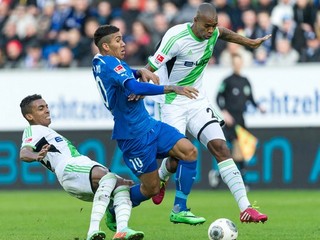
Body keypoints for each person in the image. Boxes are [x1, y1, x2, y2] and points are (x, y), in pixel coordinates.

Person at [145, 2, 269, 223]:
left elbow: (225, 33)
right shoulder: (175, 37)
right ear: (195, 21)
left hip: (198, 100)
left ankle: (244, 208)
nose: (211, 31)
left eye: (214, 26)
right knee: (176, 158)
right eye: (207, 26)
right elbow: (149, 68)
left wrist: (249, 43)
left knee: (221, 147)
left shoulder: (212, 32)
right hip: (173, 102)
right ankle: (162, 176)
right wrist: (139, 86)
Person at [91, 24, 205, 229]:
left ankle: (180, 209)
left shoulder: (100, 61)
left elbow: (122, 77)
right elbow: (133, 87)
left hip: (149, 125)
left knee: (189, 151)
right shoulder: (109, 63)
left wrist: (138, 71)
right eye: (118, 40)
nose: (123, 43)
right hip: (133, 137)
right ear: (106, 46)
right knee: (150, 189)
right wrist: (171, 87)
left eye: (122, 38)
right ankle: (114, 206)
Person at [19, 94, 144, 240]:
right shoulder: (33, 130)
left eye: (46, 106)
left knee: (121, 185)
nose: (47, 110)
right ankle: (93, 230)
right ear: (29, 116)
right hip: (69, 168)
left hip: (78, 167)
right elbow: (24, 153)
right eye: (41, 108)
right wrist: (36, 156)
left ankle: (122, 230)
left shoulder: (47, 131)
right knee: (110, 178)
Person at [213, 53, 266, 190]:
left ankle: (221, 176)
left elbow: (251, 99)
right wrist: (224, 113)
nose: (238, 65)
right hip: (230, 120)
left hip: (240, 120)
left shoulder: (245, 81)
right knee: (229, 150)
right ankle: (239, 180)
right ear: (233, 64)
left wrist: (259, 107)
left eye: (239, 62)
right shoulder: (228, 81)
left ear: (242, 63)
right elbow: (218, 97)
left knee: (239, 150)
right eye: (235, 63)